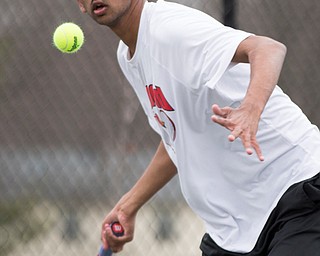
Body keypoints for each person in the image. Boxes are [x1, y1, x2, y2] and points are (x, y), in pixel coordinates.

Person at [76, 0, 320, 255]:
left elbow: (268, 48)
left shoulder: (172, 31)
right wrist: (128, 206)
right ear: (80, 5)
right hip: (233, 229)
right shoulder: (128, 57)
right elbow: (176, 137)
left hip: (295, 190)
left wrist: (251, 109)